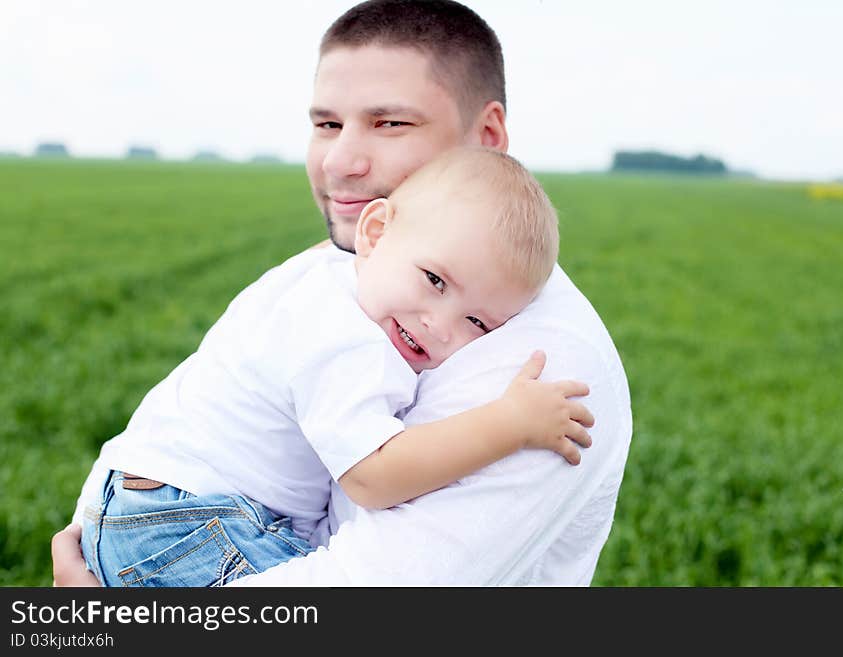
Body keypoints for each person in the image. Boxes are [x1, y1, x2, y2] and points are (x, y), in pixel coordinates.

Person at [53, 0, 632, 586]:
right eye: (327, 124)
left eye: (390, 123)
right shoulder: (331, 276)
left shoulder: (545, 368)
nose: (339, 162)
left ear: (486, 137)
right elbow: (167, 424)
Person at [77, 147, 592, 587]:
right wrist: (511, 423)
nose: (440, 325)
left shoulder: (329, 282)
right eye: (434, 280)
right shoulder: (346, 338)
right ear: (373, 233)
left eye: (477, 321)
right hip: (185, 522)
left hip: (155, 509)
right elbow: (373, 476)